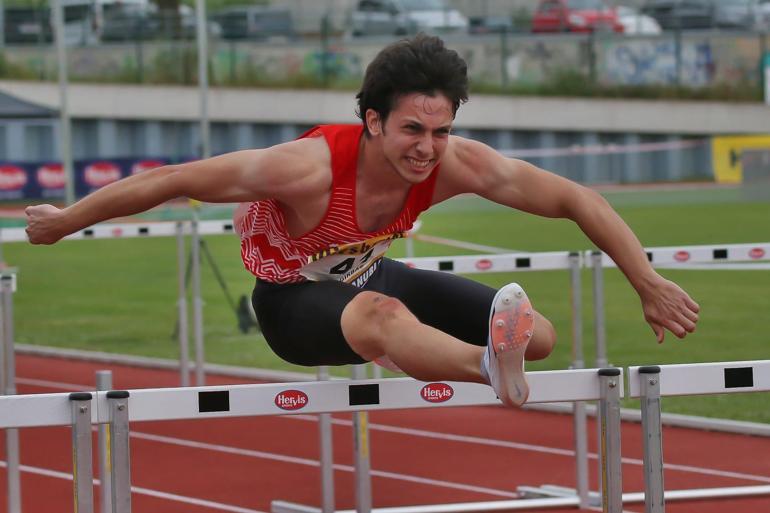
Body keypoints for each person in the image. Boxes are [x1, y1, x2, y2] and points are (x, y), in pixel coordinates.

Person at [24, 34, 699, 408]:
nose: (426, 148)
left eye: (440, 130)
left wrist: (645, 280)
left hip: (369, 272)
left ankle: (503, 354)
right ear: (372, 121)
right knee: (381, 317)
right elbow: (171, 181)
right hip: (290, 299)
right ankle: (489, 367)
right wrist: (63, 220)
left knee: (543, 335)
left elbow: (578, 197)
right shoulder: (306, 168)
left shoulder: (453, 162)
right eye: (412, 129)